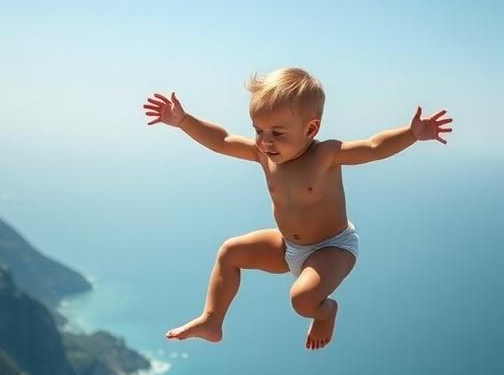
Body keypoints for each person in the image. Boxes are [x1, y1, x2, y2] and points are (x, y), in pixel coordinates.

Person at [143, 68, 452, 350]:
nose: (265, 141)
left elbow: (373, 147)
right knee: (230, 251)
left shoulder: (326, 155)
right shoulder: (262, 154)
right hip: (288, 245)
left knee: (302, 300)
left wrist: (412, 134)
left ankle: (327, 311)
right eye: (258, 130)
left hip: (332, 248)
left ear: (311, 128)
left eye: (277, 133)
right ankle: (212, 320)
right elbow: (221, 140)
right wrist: (183, 121)